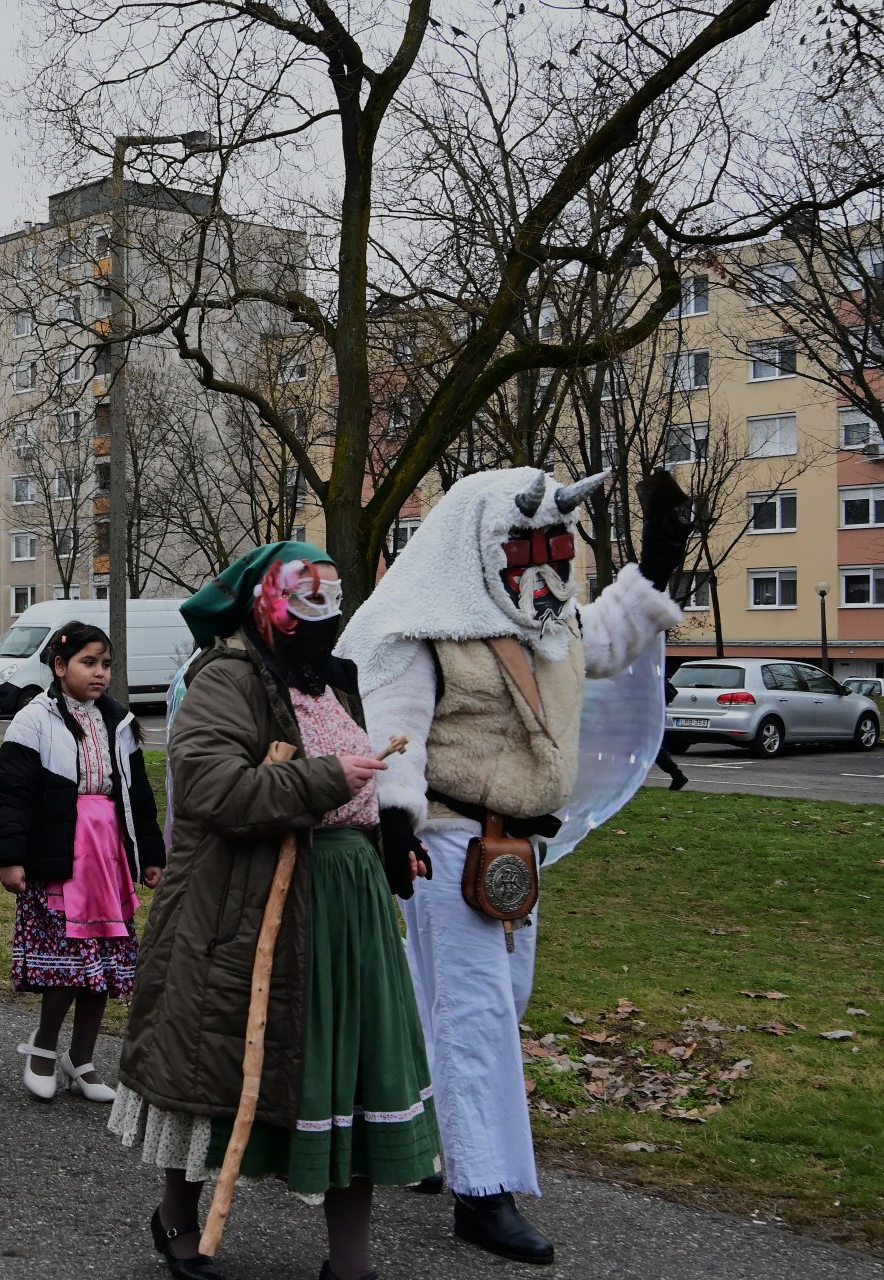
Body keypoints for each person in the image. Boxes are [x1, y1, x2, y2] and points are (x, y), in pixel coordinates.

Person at [338, 470, 688, 1266]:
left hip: (516, 852)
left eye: (554, 545)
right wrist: (397, 825)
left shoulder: (546, 625)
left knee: (482, 998)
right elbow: (396, 733)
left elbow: (607, 640)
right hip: (446, 841)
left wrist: (659, 559)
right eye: (526, 544)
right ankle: (484, 1189)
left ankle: (410, 1132)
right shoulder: (422, 630)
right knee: (476, 1011)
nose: (543, 563)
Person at [113, 543, 441, 1280]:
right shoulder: (226, 676)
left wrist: (390, 839)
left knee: (353, 1074)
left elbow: (361, 783)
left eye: (332, 595)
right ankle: (177, 1220)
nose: (324, 612)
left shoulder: (335, 679)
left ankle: (349, 1261)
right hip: (248, 902)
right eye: (307, 596)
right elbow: (209, 788)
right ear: (268, 604)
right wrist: (323, 781)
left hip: (349, 909)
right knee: (215, 1060)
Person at [0, 623, 165, 1102]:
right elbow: (14, 796)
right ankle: (43, 1049)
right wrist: (11, 858)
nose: (99, 673)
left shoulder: (119, 722)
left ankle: (83, 1058)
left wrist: (150, 854)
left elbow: (139, 795)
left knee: (105, 962)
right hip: (63, 856)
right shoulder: (34, 719)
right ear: (60, 666)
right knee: (70, 962)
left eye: (106, 664)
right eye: (88, 662)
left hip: (107, 857)